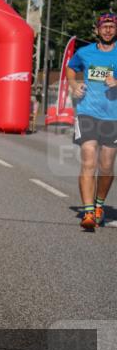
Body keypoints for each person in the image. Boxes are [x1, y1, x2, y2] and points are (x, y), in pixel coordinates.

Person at [66, 12, 117, 231]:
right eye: (104, 26)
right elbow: (71, 68)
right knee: (89, 162)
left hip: (112, 116)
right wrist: (74, 85)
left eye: (111, 26)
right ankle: (88, 212)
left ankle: (99, 205)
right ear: (97, 29)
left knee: (106, 167)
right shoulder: (84, 52)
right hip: (86, 113)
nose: (107, 30)